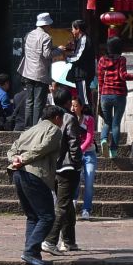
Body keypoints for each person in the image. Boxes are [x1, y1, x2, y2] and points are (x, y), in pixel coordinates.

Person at [8, 105, 64, 265]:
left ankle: (30, 251)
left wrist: (15, 159)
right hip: (35, 174)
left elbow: (12, 148)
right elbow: (43, 148)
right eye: (61, 119)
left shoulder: (30, 130)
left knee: (33, 216)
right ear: (56, 118)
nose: (61, 123)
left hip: (18, 173)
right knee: (47, 216)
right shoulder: (54, 130)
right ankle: (31, 251)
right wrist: (23, 159)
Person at [95, 37, 133, 158]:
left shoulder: (102, 60)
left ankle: (103, 139)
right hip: (119, 95)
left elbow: (100, 79)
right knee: (116, 124)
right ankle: (113, 151)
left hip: (105, 95)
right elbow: (123, 76)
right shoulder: (121, 59)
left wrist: (101, 95)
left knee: (107, 122)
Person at [45, 87, 84, 253]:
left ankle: (68, 240)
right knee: (62, 205)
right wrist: (77, 162)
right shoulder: (69, 118)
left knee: (66, 204)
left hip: (53, 166)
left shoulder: (48, 117)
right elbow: (73, 143)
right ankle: (50, 240)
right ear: (68, 102)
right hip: (68, 167)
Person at [19, 13, 62, 131]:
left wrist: (54, 47)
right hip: (40, 73)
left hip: (27, 72)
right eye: (49, 25)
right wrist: (58, 50)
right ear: (46, 25)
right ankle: (36, 126)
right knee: (39, 101)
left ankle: (27, 126)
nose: (50, 27)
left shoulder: (29, 35)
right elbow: (47, 54)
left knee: (29, 100)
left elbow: (35, 50)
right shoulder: (46, 37)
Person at [75, 95, 98, 220]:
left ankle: (86, 209)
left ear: (81, 107)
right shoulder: (70, 119)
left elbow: (89, 138)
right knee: (75, 180)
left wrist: (80, 150)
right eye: (72, 106)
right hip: (75, 155)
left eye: (76, 106)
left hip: (89, 154)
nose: (73, 108)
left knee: (89, 181)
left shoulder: (89, 119)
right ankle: (72, 204)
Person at [64, 20, 94, 110]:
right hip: (80, 74)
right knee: (81, 97)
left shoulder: (84, 39)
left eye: (73, 28)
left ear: (78, 29)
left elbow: (78, 56)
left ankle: (88, 119)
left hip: (83, 73)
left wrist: (67, 59)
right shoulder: (79, 39)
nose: (72, 31)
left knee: (84, 99)